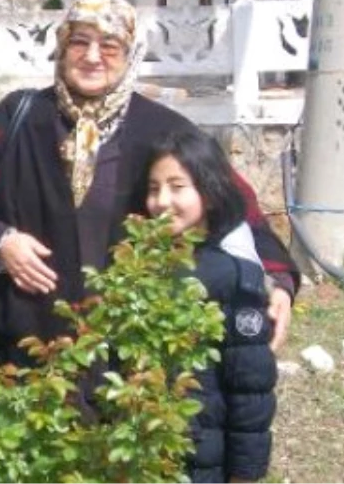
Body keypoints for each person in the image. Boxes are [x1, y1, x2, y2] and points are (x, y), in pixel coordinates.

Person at [0, 0, 299, 367]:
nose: (93, 56)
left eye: (109, 45)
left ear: (130, 54)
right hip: (25, 340)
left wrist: (280, 283)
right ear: (61, 50)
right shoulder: (18, 119)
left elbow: (236, 207)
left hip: (131, 349)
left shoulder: (162, 130)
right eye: (79, 42)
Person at [141, 129, 276, 484]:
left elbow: (250, 390)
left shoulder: (234, 277)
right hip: (146, 453)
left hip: (202, 459)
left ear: (210, 193)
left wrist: (244, 475)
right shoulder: (140, 271)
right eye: (154, 188)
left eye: (177, 186)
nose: (162, 200)